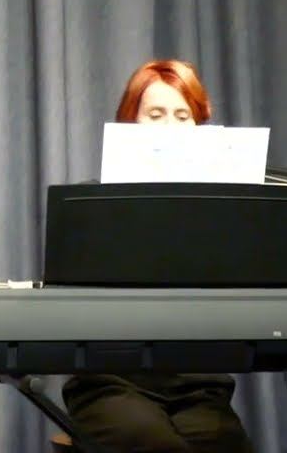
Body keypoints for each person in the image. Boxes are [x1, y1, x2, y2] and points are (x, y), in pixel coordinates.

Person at [61, 60, 254, 453]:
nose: (170, 128)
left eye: (183, 117)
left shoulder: (221, 213)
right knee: (154, 444)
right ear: (130, 123)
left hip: (199, 388)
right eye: (155, 114)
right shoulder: (91, 204)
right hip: (110, 384)